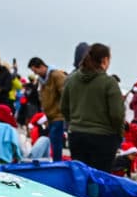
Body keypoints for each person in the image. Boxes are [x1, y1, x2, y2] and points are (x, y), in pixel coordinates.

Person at [60, 43, 124, 173]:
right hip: (104, 137)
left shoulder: (71, 80)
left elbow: (63, 107)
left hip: (76, 135)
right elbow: (117, 114)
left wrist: (74, 122)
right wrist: (119, 134)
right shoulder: (109, 83)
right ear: (105, 60)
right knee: (100, 177)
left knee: (80, 175)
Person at [27, 56, 67, 161]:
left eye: (35, 71)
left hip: (58, 115)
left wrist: (62, 110)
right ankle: (55, 161)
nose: (35, 74)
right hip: (50, 116)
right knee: (53, 141)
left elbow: (65, 94)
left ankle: (57, 163)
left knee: (56, 142)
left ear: (41, 66)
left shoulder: (56, 76)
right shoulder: (42, 80)